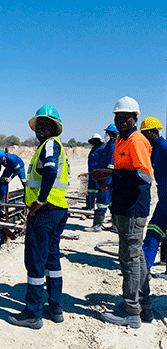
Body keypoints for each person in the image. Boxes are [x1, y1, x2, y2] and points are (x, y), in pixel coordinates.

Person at [92, 96, 153, 328]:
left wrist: (110, 175)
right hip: (123, 207)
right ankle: (143, 305)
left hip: (133, 208)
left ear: (135, 118)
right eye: (117, 117)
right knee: (136, 258)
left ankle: (131, 311)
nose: (120, 121)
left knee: (129, 260)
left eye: (125, 117)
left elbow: (144, 177)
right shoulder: (122, 140)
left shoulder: (136, 141)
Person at [8, 104, 69, 329]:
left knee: (36, 262)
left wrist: (41, 199)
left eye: (46, 124)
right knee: (52, 260)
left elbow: (51, 170)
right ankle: (56, 307)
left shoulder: (50, 145)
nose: (40, 128)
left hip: (45, 212)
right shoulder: (53, 146)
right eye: (38, 124)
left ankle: (33, 313)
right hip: (58, 210)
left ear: (54, 127)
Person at [140, 117, 167, 279]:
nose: (143, 137)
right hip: (163, 198)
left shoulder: (164, 147)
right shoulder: (153, 149)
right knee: (153, 230)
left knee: (155, 230)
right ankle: (145, 269)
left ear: (155, 132)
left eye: (146, 134)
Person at [85, 124, 118, 232]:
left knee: (102, 201)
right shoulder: (109, 146)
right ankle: (115, 226)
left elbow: (111, 166)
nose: (106, 135)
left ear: (112, 135)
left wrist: (106, 182)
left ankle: (97, 226)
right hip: (104, 179)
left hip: (106, 180)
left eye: (108, 133)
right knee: (110, 202)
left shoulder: (112, 146)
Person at [84, 133, 104, 210]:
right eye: (93, 141)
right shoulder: (93, 149)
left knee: (97, 191)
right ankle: (89, 205)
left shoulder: (102, 150)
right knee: (90, 190)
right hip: (91, 173)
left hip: (98, 174)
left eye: (96, 141)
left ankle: (96, 207)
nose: (94, 142)